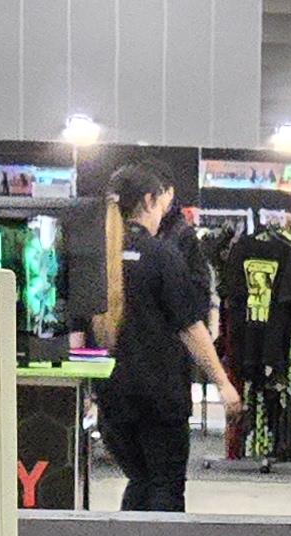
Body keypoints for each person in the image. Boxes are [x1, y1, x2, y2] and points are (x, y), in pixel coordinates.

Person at [97, 165, 237, 513]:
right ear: (148, 201)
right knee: (164, 485)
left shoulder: (101, 258)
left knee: (140, 479)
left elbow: (79, 331)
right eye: (161, 204)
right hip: (160, 396)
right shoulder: (162, 255)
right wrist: (223, 383)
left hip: (113, 395)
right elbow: (190, 328)